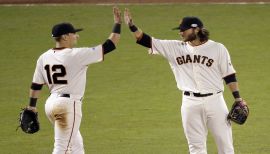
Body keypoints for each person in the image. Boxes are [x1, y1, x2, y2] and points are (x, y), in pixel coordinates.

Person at [124, 8, 246, 154]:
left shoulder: (218, 48)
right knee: (196, 148)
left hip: (215, 101)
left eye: (184, 30)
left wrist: (238, 99)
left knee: (225, 146)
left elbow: (229, 76)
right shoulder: (174, 47)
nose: (180, 32)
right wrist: (131, 26)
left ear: (197, 29)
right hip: (190, 103)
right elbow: (145, 40)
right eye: (180, 30)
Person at [25, 7, 121, 154]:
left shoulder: (44, 57)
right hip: (67, 106)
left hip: (50, 105)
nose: (77, 36)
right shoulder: (76, 55)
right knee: (62, 149)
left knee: (76, 146)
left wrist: (31, 107)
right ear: (64, 37)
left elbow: (36, 85)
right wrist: (117, 23)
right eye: (74, 34)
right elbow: (111, 44)